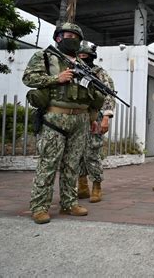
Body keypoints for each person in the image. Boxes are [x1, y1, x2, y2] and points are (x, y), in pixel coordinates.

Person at [23, 23, 102, 224]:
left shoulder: (84, 66)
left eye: (76, 36)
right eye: (68, 35)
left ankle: (69, 203)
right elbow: (28, 78)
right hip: (54, 118)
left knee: (72, 165)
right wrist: (56, 78)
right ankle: (40, 206)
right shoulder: (45, 57)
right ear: (58, 38)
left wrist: (93, 116)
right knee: (48, 163)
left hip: (80, 120)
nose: (72, 38)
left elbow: (91, 95)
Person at [76, 40, 115, 203]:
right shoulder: (72, 71)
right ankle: (82, 185)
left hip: (95, 116)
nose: (82, 59)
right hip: (76, 116)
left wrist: (106, 117)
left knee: (92, 151)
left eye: (85, 56)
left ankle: (96, 186)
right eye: (80, 56)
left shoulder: (100, 73)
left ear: (92, 57)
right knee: (76, 152)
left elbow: (109, 95)